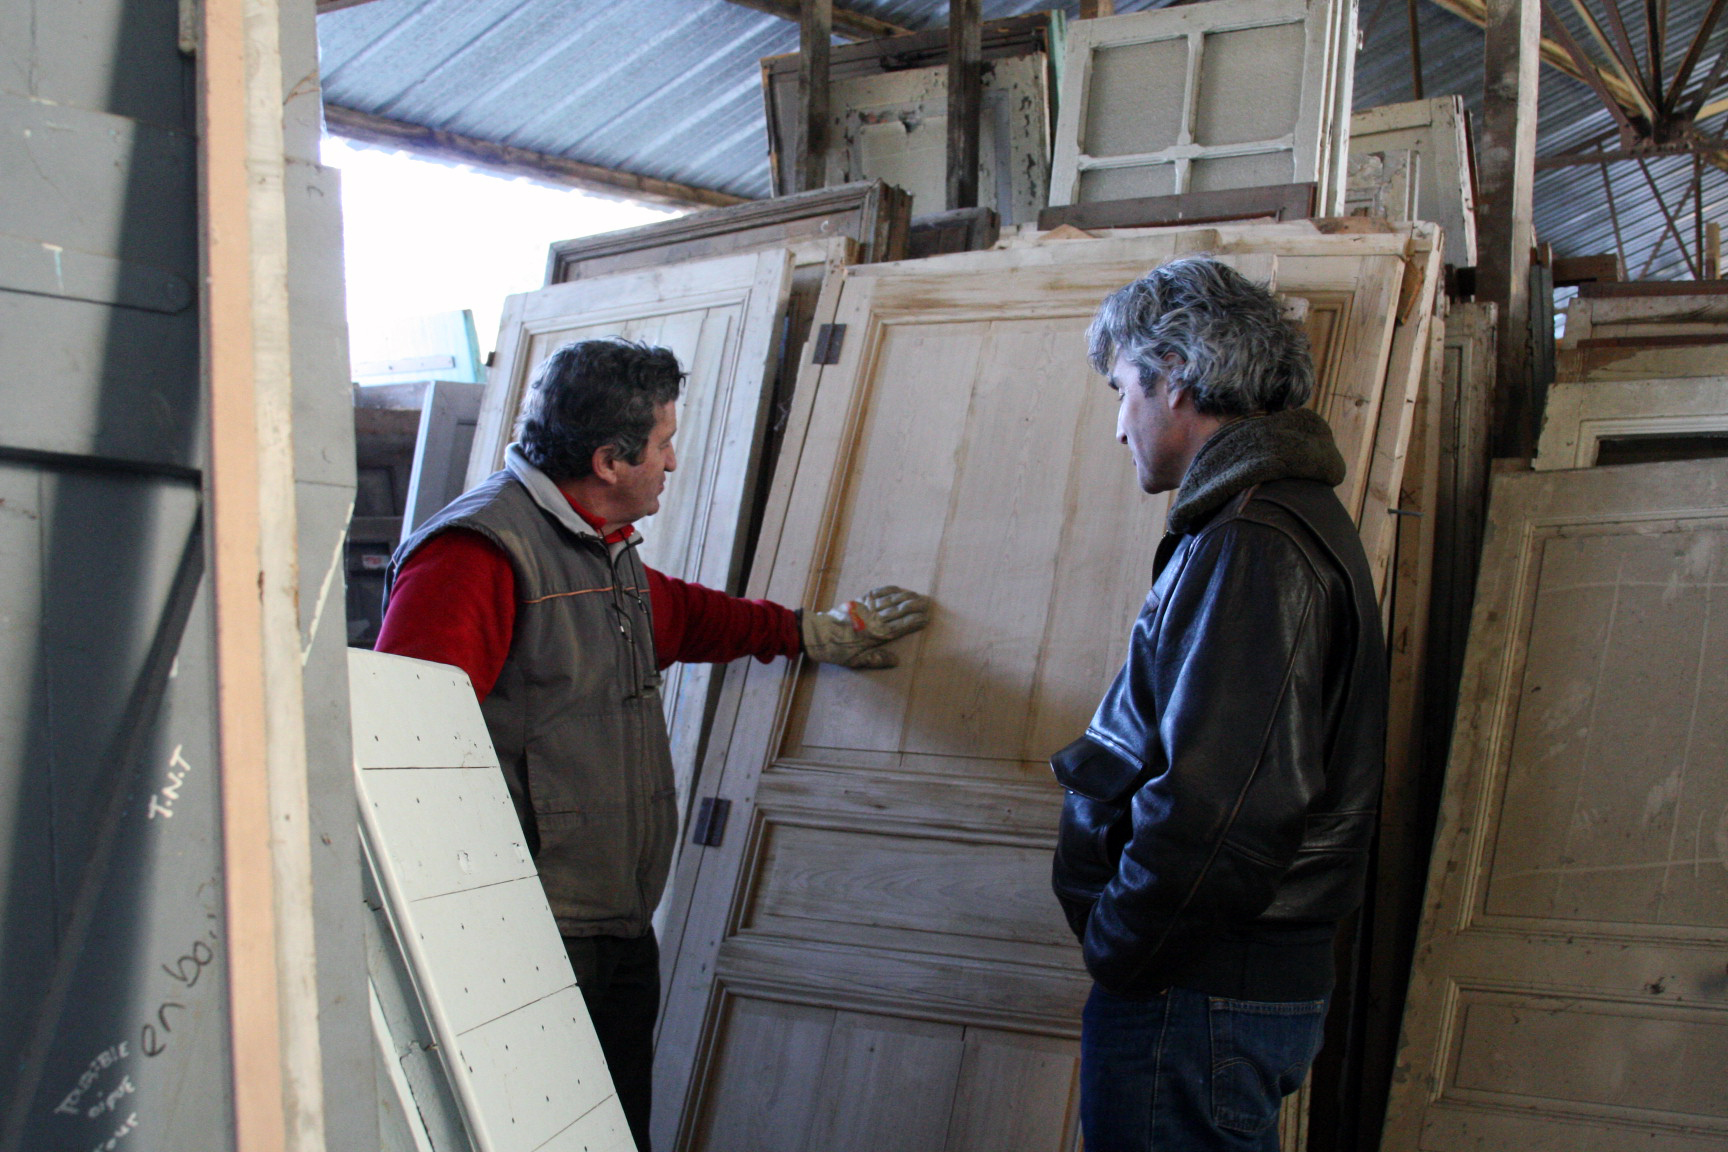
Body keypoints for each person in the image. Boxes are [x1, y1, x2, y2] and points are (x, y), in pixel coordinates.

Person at [376, 338, 928, 1150]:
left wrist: (814, 632)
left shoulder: (601, 552)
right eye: (664, 444)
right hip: (528, 940)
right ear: (609, 459)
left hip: (614, 924)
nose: (673, 462)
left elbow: (692, 616)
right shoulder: (476, 557)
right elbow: (403, 758)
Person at [1050, 257, 1386, 1152]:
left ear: (1179, 377)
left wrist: (1123, 951)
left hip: (1196, 989)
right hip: (1212, 986)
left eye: (1123, 388)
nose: (1120, 426)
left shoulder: (1255, 540)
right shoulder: (1260, 520)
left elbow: (1221, 809)